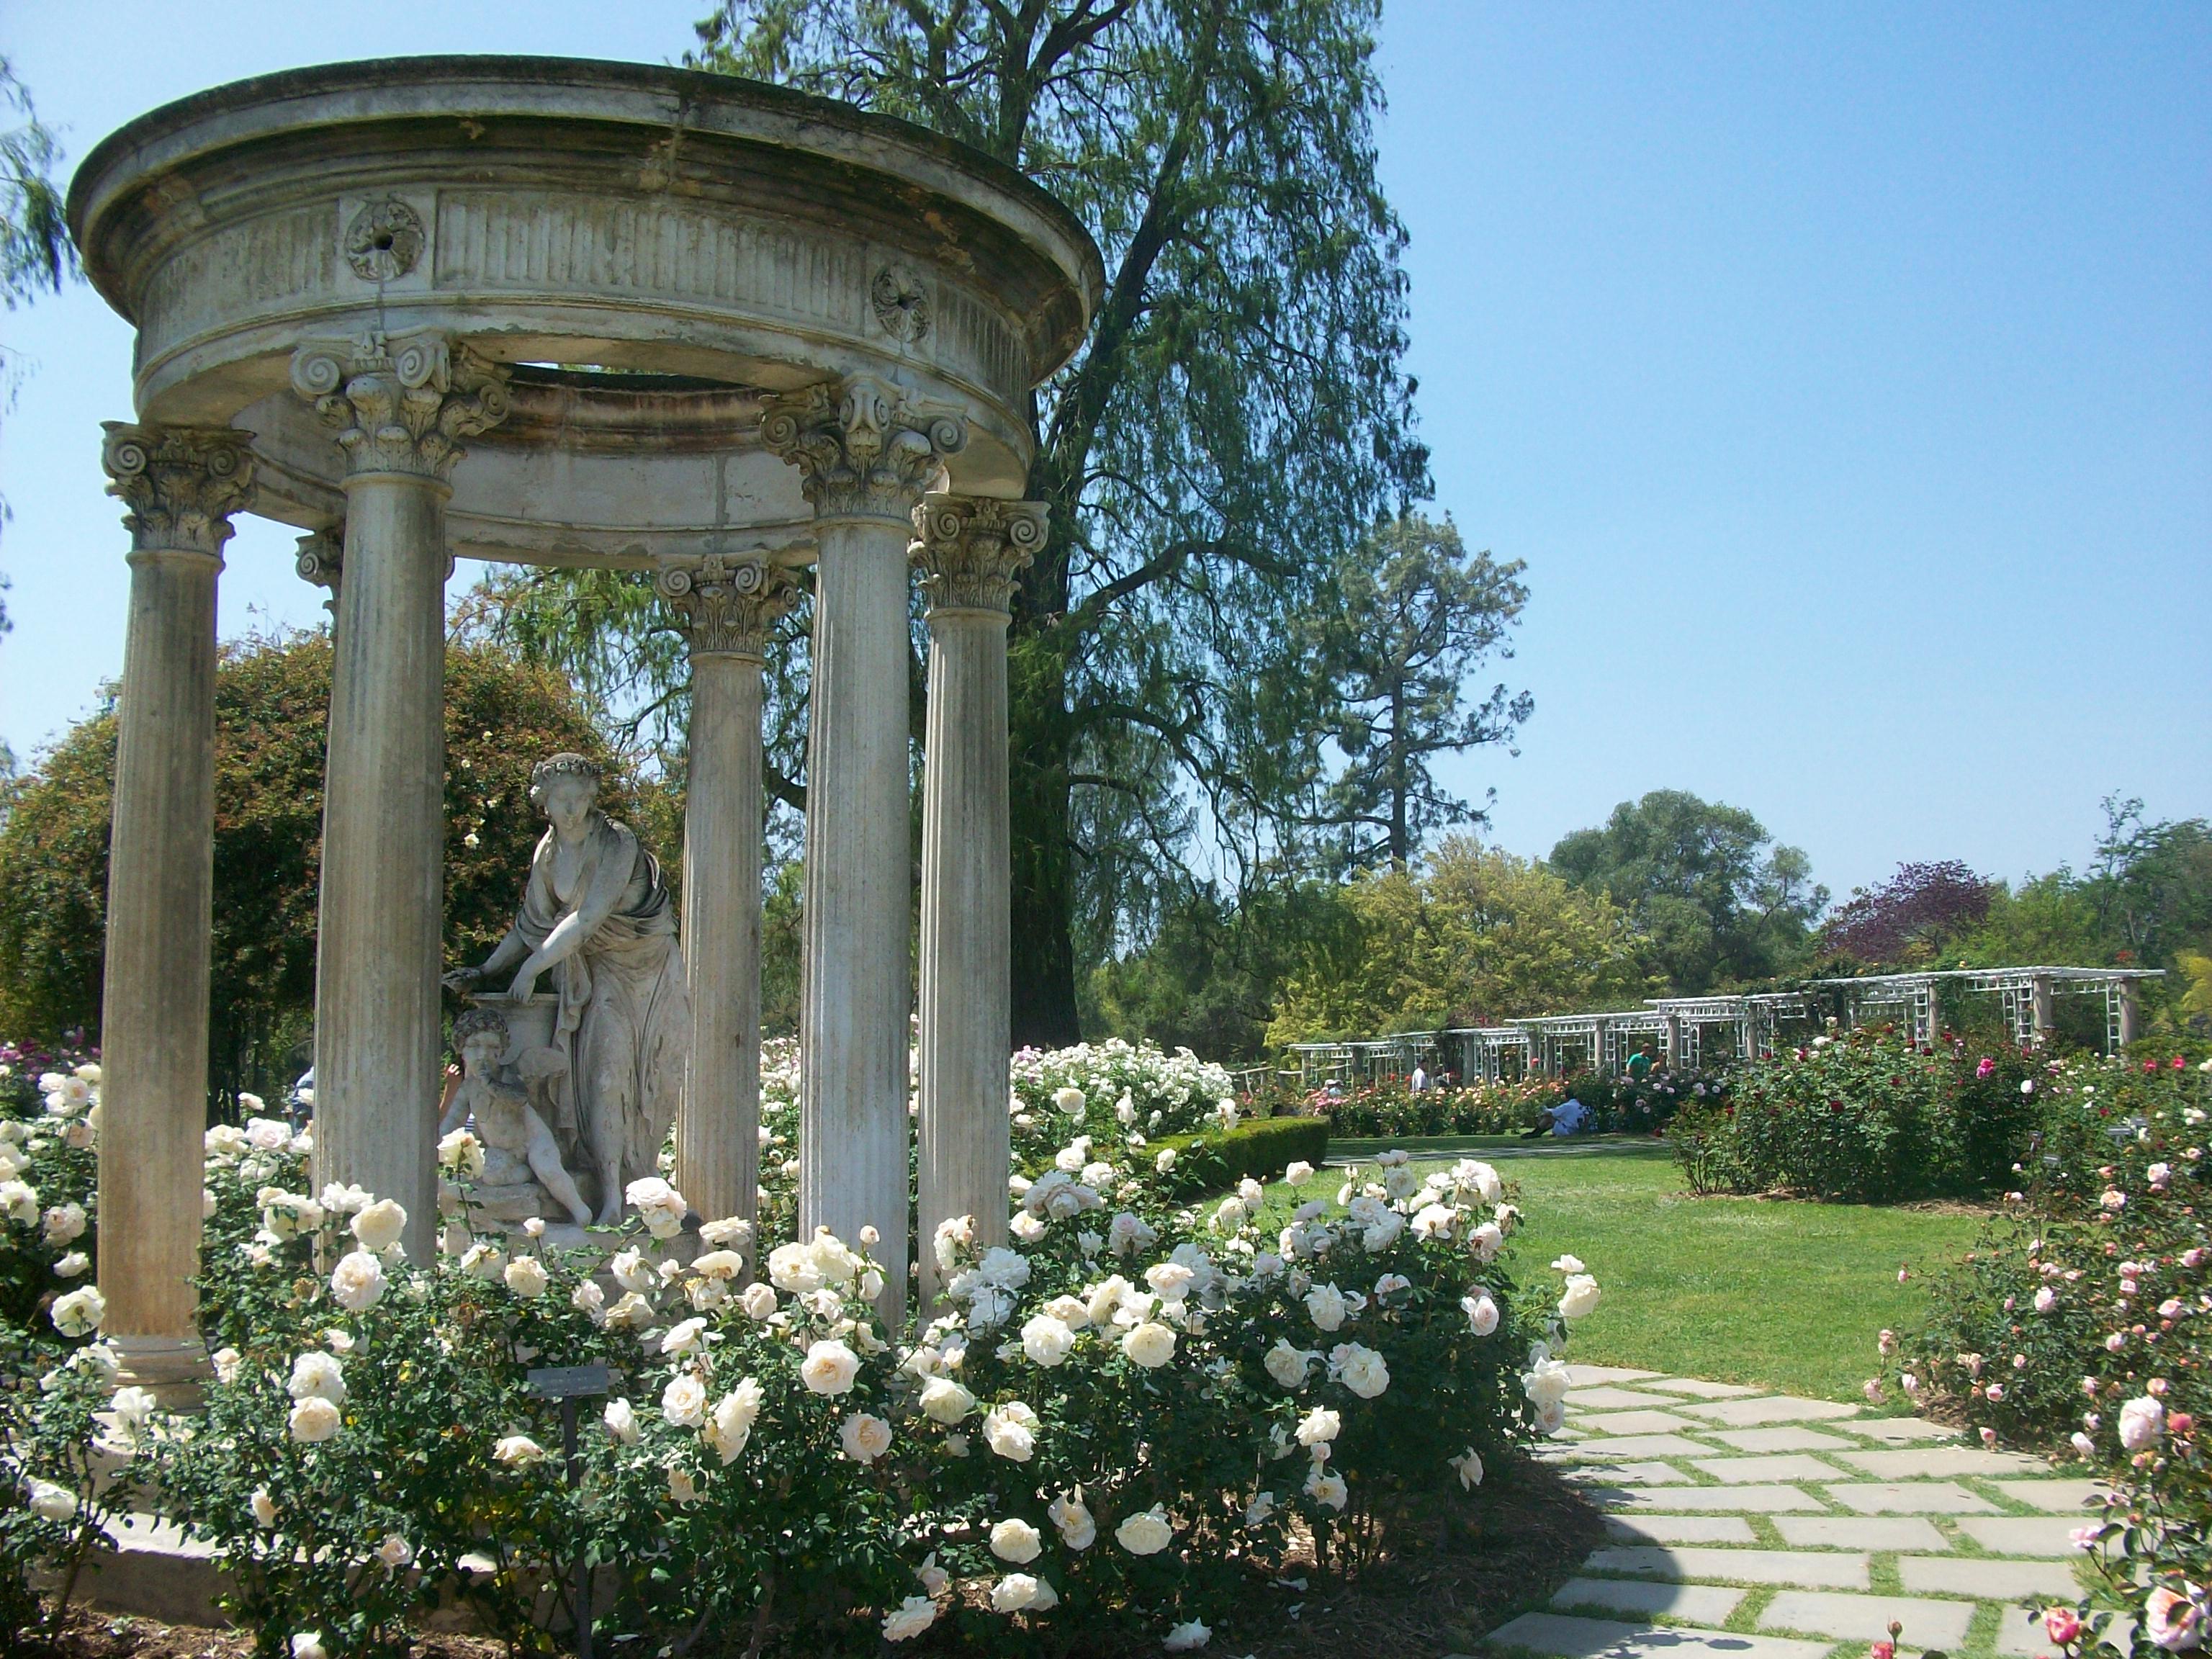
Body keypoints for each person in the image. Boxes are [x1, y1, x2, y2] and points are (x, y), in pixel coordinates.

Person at [444, 752, 691, 1225]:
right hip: (592, 975)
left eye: (580, 799)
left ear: (592, 799)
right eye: (562, 801)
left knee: (632, 1084)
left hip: (643, 972)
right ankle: (610, 1190)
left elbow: (588, 917)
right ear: (546, 803)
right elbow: (530, 924)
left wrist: (532, 969)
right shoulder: (549, 852)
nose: (572, 810)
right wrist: (486, 969)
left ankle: (620, 1192)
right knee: (604, 1078)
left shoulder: (616, 841)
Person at [439, 1006, 593, 1228]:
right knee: (490, 1174)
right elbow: (453, 1122)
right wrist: (441, 1146)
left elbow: (519, 1098)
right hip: (503, 1151)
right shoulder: (467, 1089)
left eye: (492, 1047)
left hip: (532, 1141)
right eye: (474, 1046)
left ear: (501, 1052)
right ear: (461, 1050)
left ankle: (580, 1211)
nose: (483, 1055)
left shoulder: (508, 1075)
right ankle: (524, 1173)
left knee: (549, 1171)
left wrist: (490, 1083)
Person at [1520, 1096, 1591, 1140]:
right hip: (1577, 1129)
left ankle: (1535, 1133)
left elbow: (1553, 1113)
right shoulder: (1581, 1107)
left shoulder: (1567, 1106)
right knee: (1556, 1121)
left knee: (1549, 1118)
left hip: (1568, 1130)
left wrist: (1543, 1113)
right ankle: (1538, 1133)